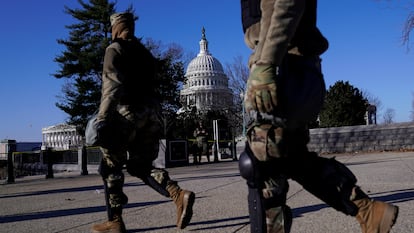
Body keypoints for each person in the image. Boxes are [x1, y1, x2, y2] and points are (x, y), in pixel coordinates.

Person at [238, 1, 399, 233]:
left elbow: (287, 4)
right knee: (291, 158)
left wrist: (265, 63)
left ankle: (366, 211)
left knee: (261, 164)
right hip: (291, 66)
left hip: (283, 64)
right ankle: (368, 212)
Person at [91, 12, 195, 233]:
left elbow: (112, 84)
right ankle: (178, 194)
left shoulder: (114, 49)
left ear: (115, 28)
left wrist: (102, 118)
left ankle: (115, 221)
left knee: (110, 167)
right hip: (153, 115)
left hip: (126, 112)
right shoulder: (145, 53)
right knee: (141, 166)